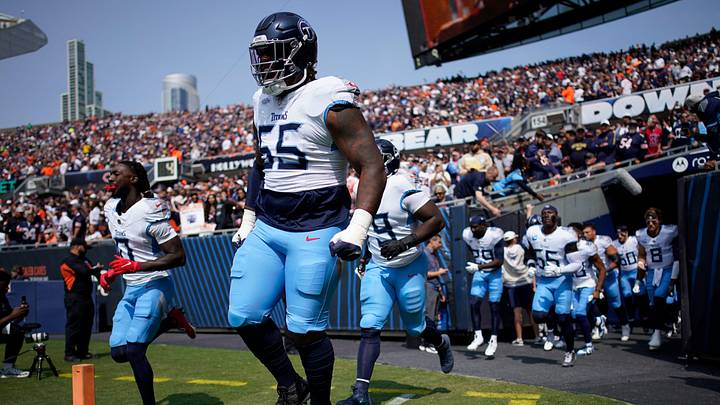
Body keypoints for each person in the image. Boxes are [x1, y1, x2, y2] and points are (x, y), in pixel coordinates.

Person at [228, 12, 386, 405]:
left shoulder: (327, 97)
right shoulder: (261, 100)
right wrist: (249, 216)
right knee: (243, 315)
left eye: (272, 54)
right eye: (260, 56)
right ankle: (290, 384)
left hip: (316, 226)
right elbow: (261, 161)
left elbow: (372, 164)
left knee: (304, 331)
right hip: (269, 225)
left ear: (300, 52)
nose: (263, 64)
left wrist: (357, 228)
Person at [337, 140, 452, 405]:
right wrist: (366, 255)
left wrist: (403, 243)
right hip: (379, 265)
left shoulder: (401, 184)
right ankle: (361, 394)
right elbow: (373, 228)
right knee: (370, 325)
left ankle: (440, 342)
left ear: (386, 161)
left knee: (415, 327)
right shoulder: (363, 187)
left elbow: (436, 219)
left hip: (409, 263)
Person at [101, 161, 196, 405]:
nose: (109, 177)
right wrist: (111, 273)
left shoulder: (149, 209)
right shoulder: (111, 208)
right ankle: (170, 321)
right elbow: (127, 252)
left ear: (132, 179)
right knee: (118, 353)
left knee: (134, 351)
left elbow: (178, 256)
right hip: (131, 287)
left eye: (115, 173)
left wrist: (136, 267)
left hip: (155, 285)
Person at [523, 205, 580, 367]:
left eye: (550, 213)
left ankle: (570, 351)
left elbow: (577, 264)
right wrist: (531, 265)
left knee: (563, 317)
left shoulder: (566, 235)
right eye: (544, 213)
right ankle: (551, 331)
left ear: (557, 216)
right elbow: (530, 252)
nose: (546, 215)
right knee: (538, 316)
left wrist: (559, 269)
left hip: (562, 280)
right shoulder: (533, 232)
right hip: (543, 280)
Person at [635, 207, 678, 350]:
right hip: (652, 271)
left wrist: (673, 279)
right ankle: (663, 326)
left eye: (653, 220)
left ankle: (657, 333)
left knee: (660, 297)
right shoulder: (641, 235)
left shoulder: (669, 231)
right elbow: (642, 254)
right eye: (648, 220)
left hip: (667, 269)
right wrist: (641, 263)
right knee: (653, 303)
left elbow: (678, 250)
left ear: (659, 220)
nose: (650, 223)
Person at [463, 216, 504, 357]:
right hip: (480, 273)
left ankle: (493, 340)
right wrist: (478, 266)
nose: (473, 230)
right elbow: (473, 249)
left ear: (484, 225)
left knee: (494, 307)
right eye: (471, 227)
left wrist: (479, 266)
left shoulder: (495, 235)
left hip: (495, 274)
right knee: (474, 303)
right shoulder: (467, 234)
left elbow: (499, 261)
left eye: (476, 226)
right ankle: (478, 336)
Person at [582, 223, 630, 341]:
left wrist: (606, 270)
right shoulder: (583, 244)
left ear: (594, 231)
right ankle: (596, 328)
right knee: (592, 301)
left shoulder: (603, 240)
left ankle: (625, 325)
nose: (585, 235)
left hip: (608, 275)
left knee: (615, 302)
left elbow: (617, 259)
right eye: (583, 233)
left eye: (587, 232)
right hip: (593, 277)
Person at [567, 223, 606, 356]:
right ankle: (597, 320)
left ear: (578, 234)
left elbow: (602, 269)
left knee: (580, 314)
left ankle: (589, 346)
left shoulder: (587, 247)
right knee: (573, 315)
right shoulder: (564, 248)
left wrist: (598, 289)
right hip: (574, 285)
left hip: (588, 283)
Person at [61, 238, 102, 362]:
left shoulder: (83, 259)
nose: (86, 249)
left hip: (86, 296)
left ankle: (82, 351)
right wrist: (95, 269)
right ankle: (69, 353)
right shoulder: (69, 260)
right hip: (74, 297)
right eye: (83, 246)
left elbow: (90, 269)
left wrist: (97, 271)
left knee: (86, 325)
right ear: (77, 246)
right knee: (74, 326)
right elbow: (84, 271)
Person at [502, 231, 537, 346]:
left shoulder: (503, 251)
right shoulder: (521, 248)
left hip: (511, 284)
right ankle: (538, 336)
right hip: (525, 282)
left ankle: (519, 338)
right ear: (514, 239)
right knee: (530, 310)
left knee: (517, 312)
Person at [613, 225, 644, 338]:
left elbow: (643, 252)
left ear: (627, 233)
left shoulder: (634, 240)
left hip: (636, 271)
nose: (619, 236)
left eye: (622, 233)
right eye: (618, 233)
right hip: (625, 273)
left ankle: (644, 316)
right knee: (626, 295)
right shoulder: (615, 244)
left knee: (640, 294)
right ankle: (631, 317)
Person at [0, 270, 30, 378]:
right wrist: (12, 316)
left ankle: (8, 368)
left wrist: (20, 314)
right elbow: (9, 317)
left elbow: (9, 319)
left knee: (17, 331)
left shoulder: (2, 298)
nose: (8, 288)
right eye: (5, 284)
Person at [425, 235, 448, 327]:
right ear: (431, 241)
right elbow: (424, 274)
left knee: (434, 317)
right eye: (439, 242)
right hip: (428, 288)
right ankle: (426, 340)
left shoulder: (434, 255)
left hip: (435, 289)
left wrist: (440, 292)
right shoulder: (424, 254)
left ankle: (431, 339)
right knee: (429, 317)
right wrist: (439, 272)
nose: (440, 245)